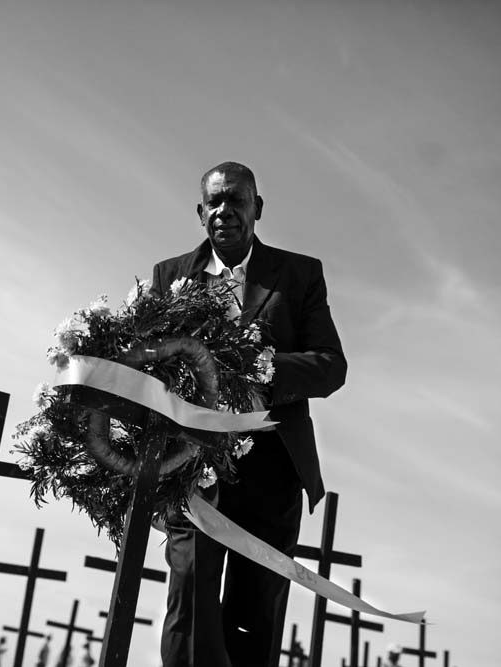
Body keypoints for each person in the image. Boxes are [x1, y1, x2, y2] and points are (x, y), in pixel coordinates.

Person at [152, 161, 347, 667]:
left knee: (255, 616)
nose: (224, 211)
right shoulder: (169, 277)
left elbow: (330, 366)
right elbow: (148, 372)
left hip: (272, 470)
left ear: (257, 208)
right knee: (188, 600)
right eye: (214, 202)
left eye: (236, 200)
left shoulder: (300, 275)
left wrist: (253, 371)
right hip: (191, 470)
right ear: (200, 213)